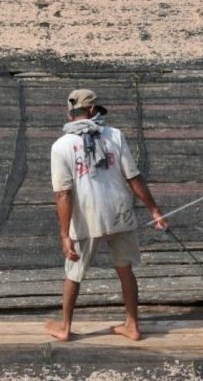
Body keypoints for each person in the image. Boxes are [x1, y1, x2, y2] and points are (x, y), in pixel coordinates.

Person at [45, 89, 167, 341]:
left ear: (70, 113)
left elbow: (63, 194)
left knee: (74, 273)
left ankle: (65, 327)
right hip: (119, 211)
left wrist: (64, 234)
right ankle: (132, 325)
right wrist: (154, 210)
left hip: (86, 216)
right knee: (125, 269)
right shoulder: (115, 135)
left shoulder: (61, 147)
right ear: (91, 110)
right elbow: (133, 177)